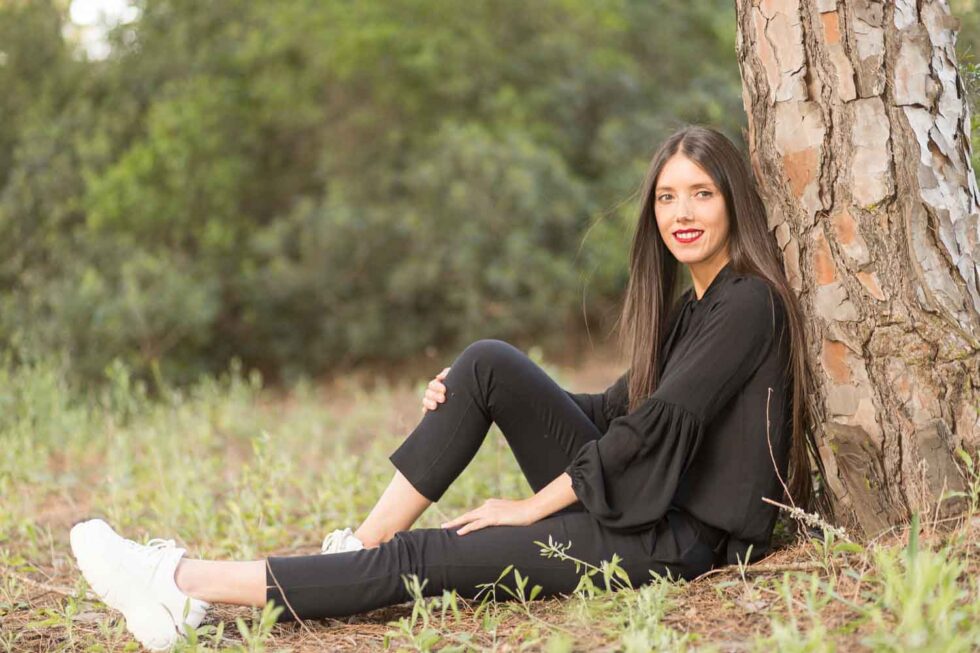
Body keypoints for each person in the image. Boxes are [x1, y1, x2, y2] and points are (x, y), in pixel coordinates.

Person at [69, 125, 821, 651]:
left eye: (700, 195)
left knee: (426, 558)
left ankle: (178, 582)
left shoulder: (747, 302)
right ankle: (351, 549)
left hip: (674, 538)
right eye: (666, 197)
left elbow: (651, 429)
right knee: (486, 361)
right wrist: (467, 389)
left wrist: (528, 506)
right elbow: (607, 412)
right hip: (641, 503)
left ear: (734, 203)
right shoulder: (693, 305)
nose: (681, 214)